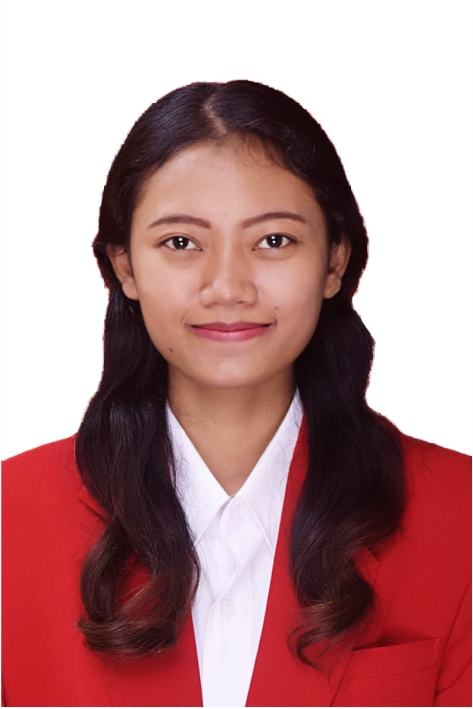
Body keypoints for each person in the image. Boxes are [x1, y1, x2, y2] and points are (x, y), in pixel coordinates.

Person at [2, 80, 471, 708]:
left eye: (273, 240)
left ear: (335, 261)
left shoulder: (461, 515)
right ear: (125, 266)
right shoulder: (9, 516)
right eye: (180, 242)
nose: (227, 286)